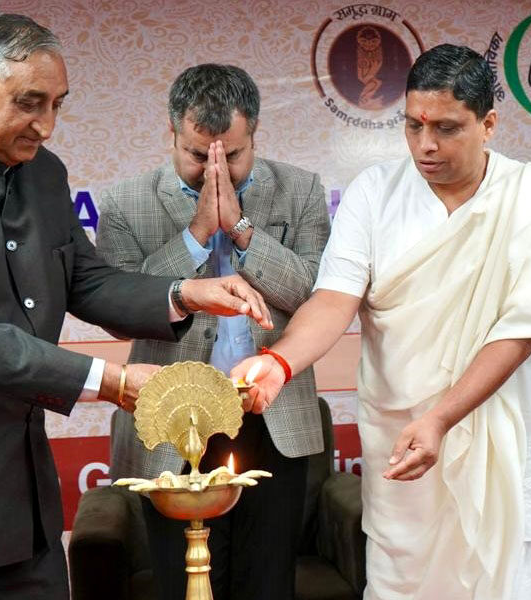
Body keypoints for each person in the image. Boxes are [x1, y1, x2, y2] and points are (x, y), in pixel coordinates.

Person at [0, 15, 270, 599]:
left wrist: (182, 293)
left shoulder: (42, 172)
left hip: (18, 504)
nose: (47, 125)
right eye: (29, 103)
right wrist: (113, 382)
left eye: (57, 104)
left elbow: (85, 280)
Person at [230, 44, 531, 599]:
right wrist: (279, 362)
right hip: (403, 447)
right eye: (413, 125)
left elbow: (521, 331)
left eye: (447, 128)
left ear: (488, 124)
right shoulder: (374, 193)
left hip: (502, 447)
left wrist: (442, 418)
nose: (426, 144)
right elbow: (333, 299)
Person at [96, 63, 330, 600]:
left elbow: (313, 295)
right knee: (185, 586)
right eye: (197, 155)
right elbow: (118, 308)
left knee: (268, 586)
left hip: (271, 416)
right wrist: (199, 232)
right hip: (169, 419)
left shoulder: (301, 190)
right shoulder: (126, 202)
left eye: (232, 154)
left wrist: (241, 229)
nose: (213, 170)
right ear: (172, 133)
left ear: (255, 134)